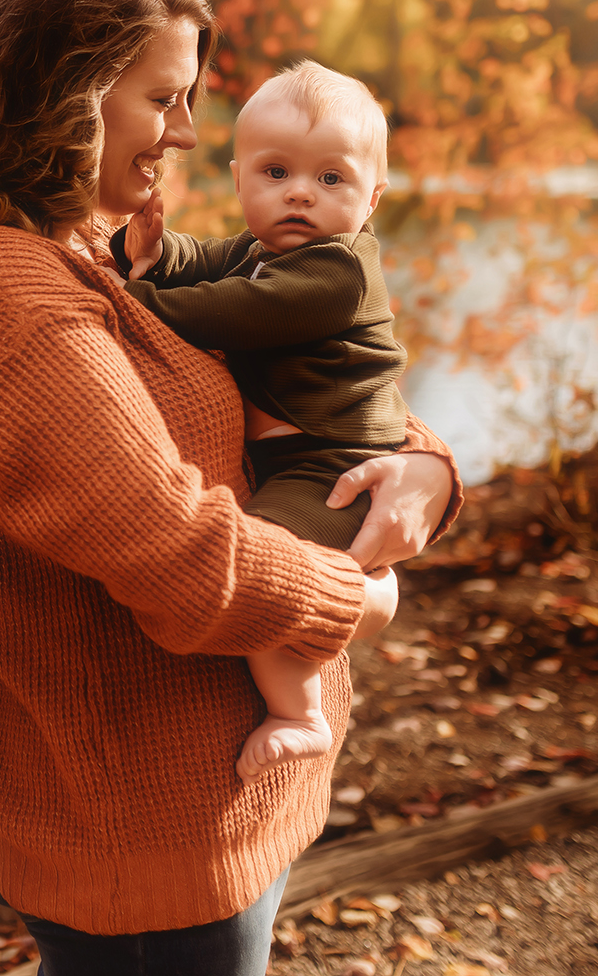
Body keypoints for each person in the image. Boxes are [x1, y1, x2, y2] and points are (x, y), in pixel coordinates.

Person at [0, 0, 459, 974]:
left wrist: (422, 463)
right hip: (141, 826)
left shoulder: (86, 246)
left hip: (204, 803)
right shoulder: (22, 300)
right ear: (70, 91)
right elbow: (183, 555)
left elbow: (307, 374)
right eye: (162, 97)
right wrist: (357, 599)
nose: (185, 134)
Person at [112, 60, 409, 784]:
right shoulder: (261, 250)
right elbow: (207, 266)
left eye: (331, 179)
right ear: (241, 179)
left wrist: (127, 304)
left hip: (332, 466)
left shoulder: (337, 271)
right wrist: (154, 253)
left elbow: (228, 309)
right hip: (299, 458)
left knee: (267, 567)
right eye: (276, 172)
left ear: (371, 200)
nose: (300, 192)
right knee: (266, 561)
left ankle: (300, 713)